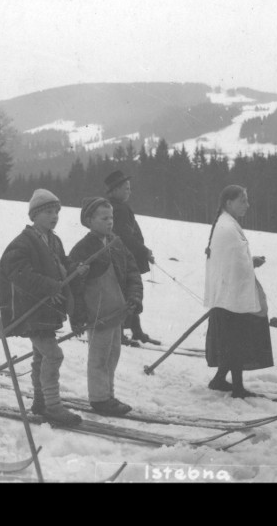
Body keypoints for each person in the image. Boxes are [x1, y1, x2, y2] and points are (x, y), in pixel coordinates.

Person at [0, 189, 86, 427]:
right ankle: (53, 407)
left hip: (45, 310)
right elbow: (18, 272)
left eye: (56, 211)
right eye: (48, 212)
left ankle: (40, 402)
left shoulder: (52, 239)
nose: (54, 216)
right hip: (30, 311)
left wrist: (74, 267)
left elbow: (60, 263)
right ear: (34, 215)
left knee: (41, 356)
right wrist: (50, 285)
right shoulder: (23, 242)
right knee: (53, 355)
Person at [69, 197, 142, 416]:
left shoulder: (116, 243)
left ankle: (108, 394)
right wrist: (78, 315)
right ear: (89, 220)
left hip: (116, 311)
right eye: (104, 218)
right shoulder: (83, 248)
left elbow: (132, 271)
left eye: (111, 217)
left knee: (113, 355)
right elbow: (73, 283)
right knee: (99, 356)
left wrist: (134, 297)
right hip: (97, 312)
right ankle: (99, 399)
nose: (110, 222)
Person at [203, 185, 273, 398]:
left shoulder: (226, 224)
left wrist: (250, 262)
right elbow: (234, 264)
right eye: (242, 200)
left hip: (229, 294)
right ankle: (238, 388)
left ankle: (219, 380)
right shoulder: (227, 227)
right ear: (229, 203)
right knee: (236, 341)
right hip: (232, 296)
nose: (247, 205)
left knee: (233, 341)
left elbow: (234, 261)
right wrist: (249, 264)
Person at [104, 169, 157, 345]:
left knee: (128, 294)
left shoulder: (113, 206)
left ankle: (136, 332)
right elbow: (125, 237)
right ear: (115, 189)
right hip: (123, 260)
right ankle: (121, 334)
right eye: (126, 188)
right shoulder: (119, 208)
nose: (129, 191)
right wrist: (144, 251)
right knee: (125, 295)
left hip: (121, 258)